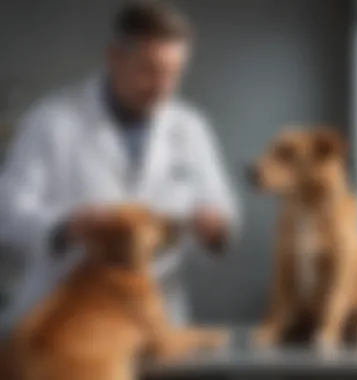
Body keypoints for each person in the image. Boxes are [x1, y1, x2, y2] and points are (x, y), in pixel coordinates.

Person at [0, 1, 240, 336]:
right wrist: (65, 226)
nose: (163, 85)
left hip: (154, 319)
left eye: (173, 72)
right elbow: (8, 212)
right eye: (149, 69)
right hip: (66, 322)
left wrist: (214, 228)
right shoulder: (52, 120)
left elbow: (220, 209)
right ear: (114, 57)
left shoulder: (190, 127)